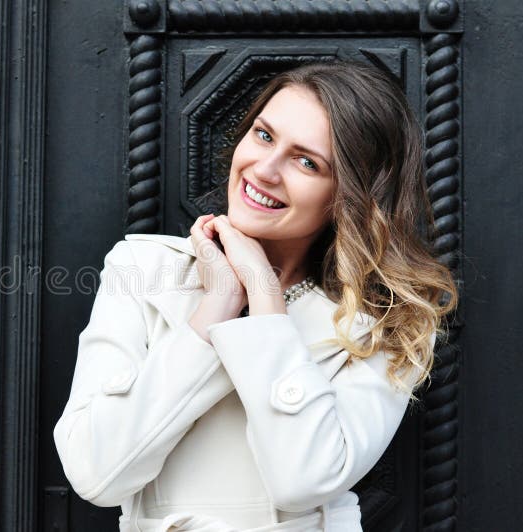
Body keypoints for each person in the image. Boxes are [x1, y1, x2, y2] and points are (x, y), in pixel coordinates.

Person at [53, 60, 458, 532]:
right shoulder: (141, 271)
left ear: (350, 196)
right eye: (264, 136)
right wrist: (217, 305)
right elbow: (95, 475)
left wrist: (265, 299)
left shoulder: (390, 322)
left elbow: (302, 481)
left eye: (307, 162)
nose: (264, 170)